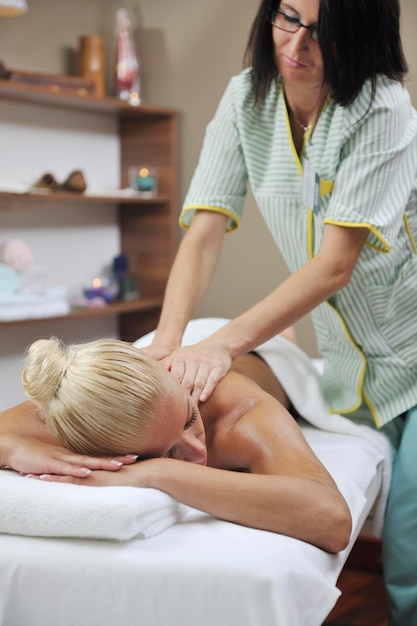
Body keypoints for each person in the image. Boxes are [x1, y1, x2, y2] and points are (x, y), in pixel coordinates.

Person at [141, 1, 417, 623]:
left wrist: (221, 345)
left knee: (409, 552)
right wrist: (166, 339)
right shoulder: (246, 100)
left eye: (323, 31)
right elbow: (205, 232)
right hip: (349, 368)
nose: (296, 45)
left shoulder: (381, 110)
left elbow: (334, 265)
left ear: (361, 36)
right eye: (288, 18)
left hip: (414, 343)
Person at [0, 333, 351, 554]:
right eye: (167, 451)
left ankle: (284, 340)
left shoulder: (241, 413)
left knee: (282, 345)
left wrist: (157, 471)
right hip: (154, 354)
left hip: (263, 356)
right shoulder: (77, 409)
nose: (199, 452)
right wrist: (13, 448)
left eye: (188, 418)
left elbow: (333, 522)